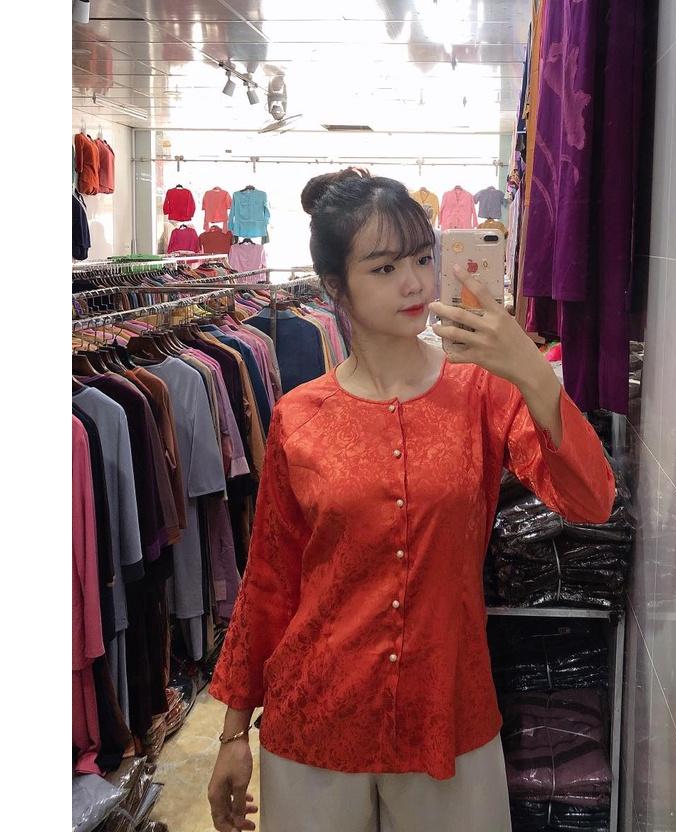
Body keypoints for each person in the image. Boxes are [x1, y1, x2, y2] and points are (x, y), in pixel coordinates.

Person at [206, 168, 615, 832]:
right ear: (334, 286)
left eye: (424, 259)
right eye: (385, 267)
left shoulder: (483, 393)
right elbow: (272, 579)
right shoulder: (299, 417)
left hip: (447, 717)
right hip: (316, 725)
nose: (415, 283)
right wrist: (231, 733)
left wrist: (531, 372)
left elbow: (591, 501)